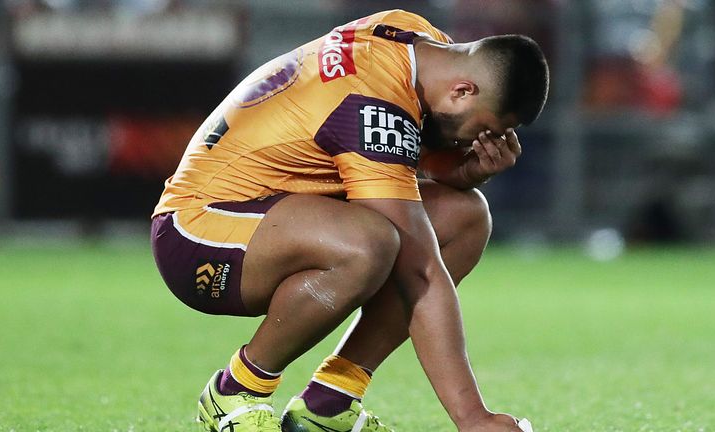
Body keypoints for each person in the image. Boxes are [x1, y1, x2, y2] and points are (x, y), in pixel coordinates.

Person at [151, 9, 548, 432]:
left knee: (463, 216)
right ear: (463, 90)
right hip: (197, 233)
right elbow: (420, 270)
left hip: (272, 216)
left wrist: (469, 173)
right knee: (371, 243)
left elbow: (406, 156)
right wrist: (473, 418)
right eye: (483, 129)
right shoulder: (372, 101)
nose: (472, 142)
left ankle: (329, 403)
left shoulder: (411, 34)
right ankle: (236, 391)